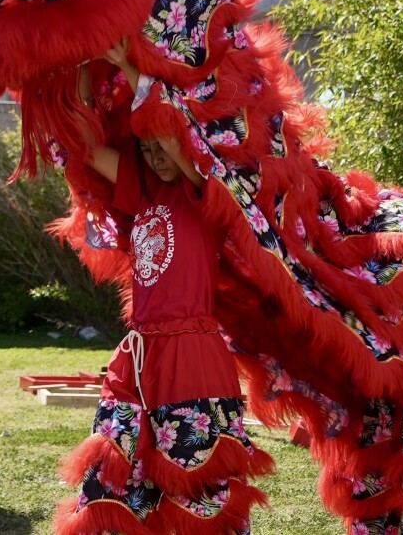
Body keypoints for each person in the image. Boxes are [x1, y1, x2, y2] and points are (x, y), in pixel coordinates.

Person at [54, 43, 273, 534]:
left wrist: (129, 66)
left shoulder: (203, 192)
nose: (155, 157)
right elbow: (84, 145)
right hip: (137, 355)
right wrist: (85, 70)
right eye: (146, 150)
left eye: (161, 147)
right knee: (110, 472)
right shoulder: (142, 187)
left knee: (198, 487)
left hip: (193, 358)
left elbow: (172, 132)